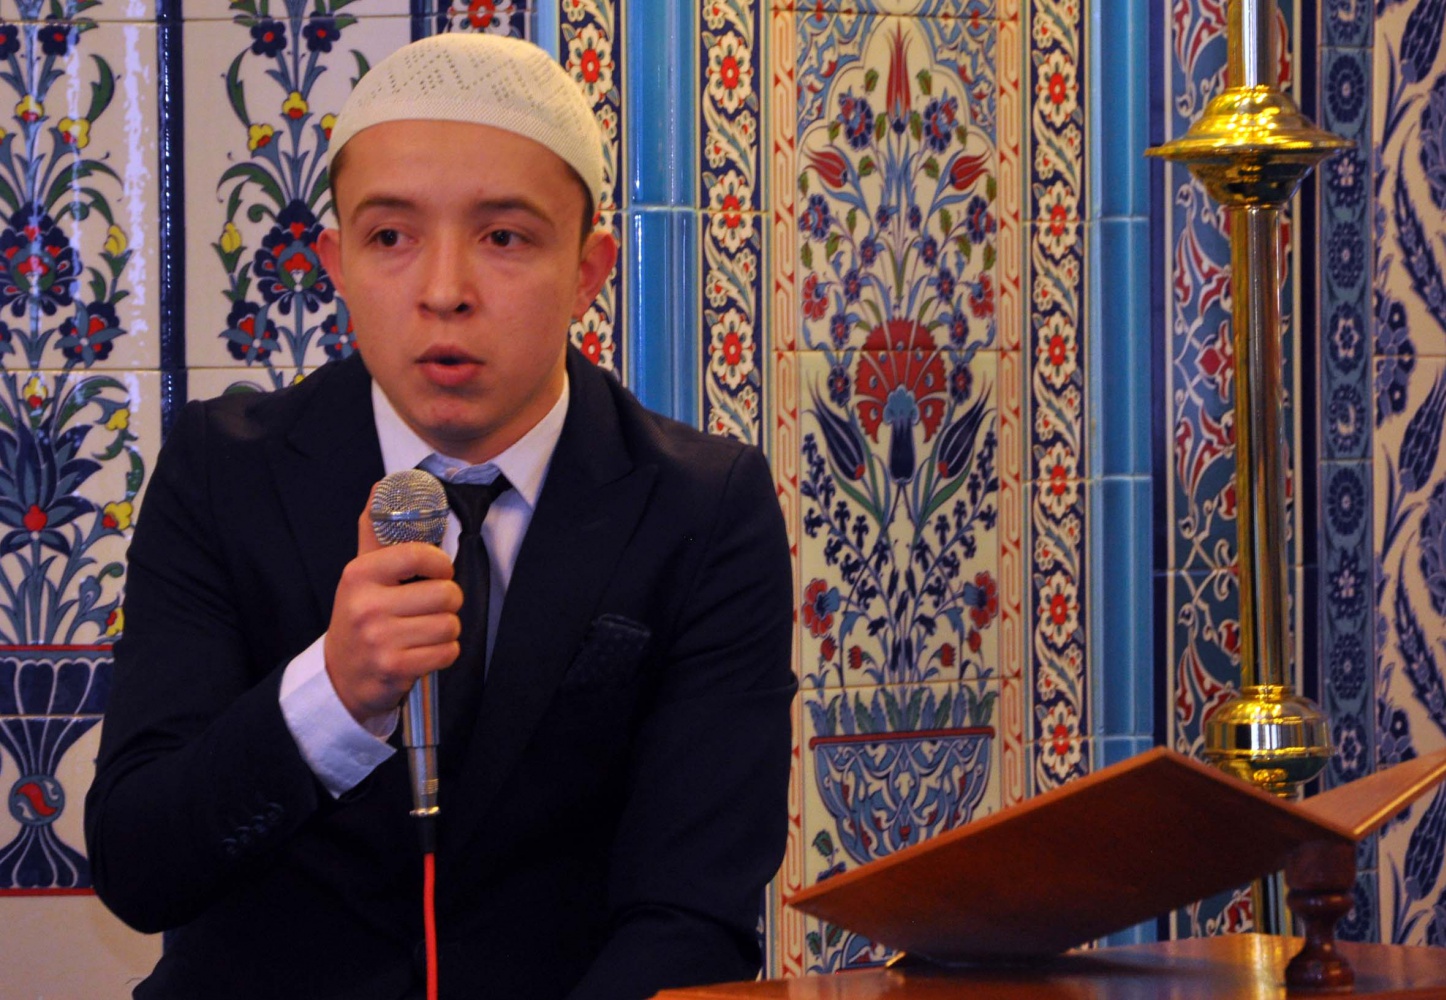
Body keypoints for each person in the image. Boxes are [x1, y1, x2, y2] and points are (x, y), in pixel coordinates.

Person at [84, 32, 794, 1000]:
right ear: (336, 261)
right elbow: (140, 865)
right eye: (391, 237)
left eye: (504, 238)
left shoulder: (702, 506)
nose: (444, 292)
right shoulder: (224, 472)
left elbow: (693, 914)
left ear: (589, 269)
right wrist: (333, 694)